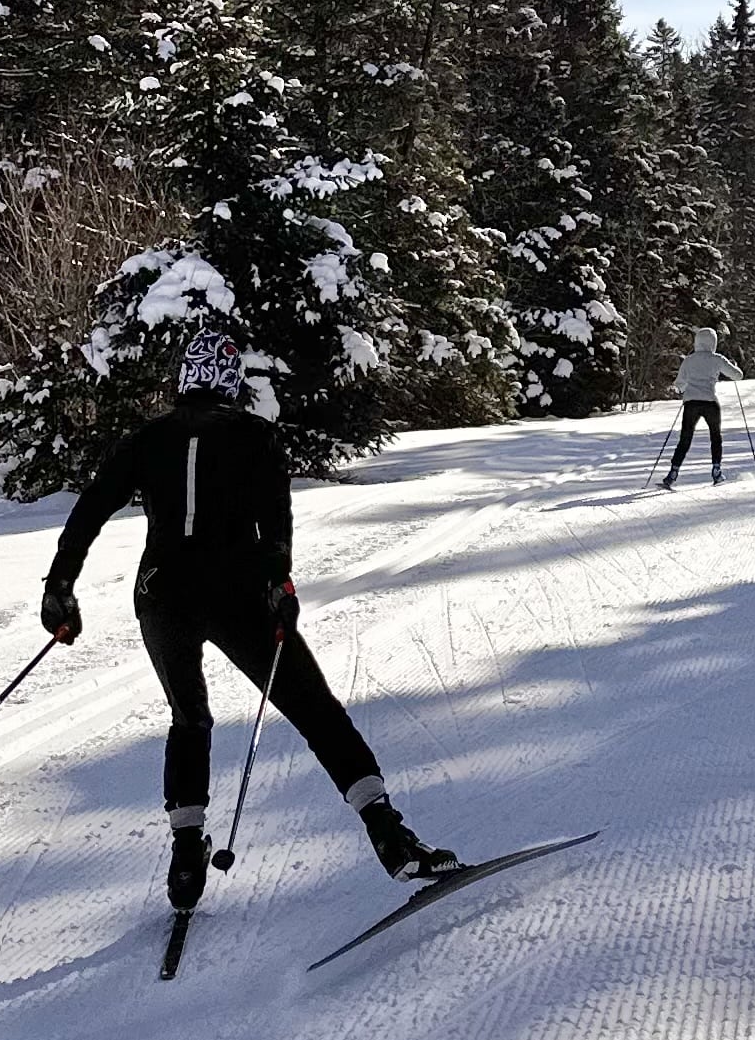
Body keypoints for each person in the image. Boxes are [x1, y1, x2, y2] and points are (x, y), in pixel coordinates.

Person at [40, 325, 457, 914]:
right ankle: (389, 834)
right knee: (315, 710)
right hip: (235, 592)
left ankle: (187, 855)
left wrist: (60, 586)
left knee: (189, 718)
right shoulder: (256, 437)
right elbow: (274, 526)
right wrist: (279, 585)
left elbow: (90, 509)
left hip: (160, 593)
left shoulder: (146, 438)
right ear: (232, 381)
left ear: (185, 380)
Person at [660, 325, 744, 486]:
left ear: (697, 342)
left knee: (685, 438)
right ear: (713, 342)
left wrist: (687, 388)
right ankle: (716, 471)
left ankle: (673, 473)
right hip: (710, 402)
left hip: (691, 403)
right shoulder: (717, 359)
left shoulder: (689, 360)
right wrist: (733, 365)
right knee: (715, 437)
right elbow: (737, 376)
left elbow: (679, 384)